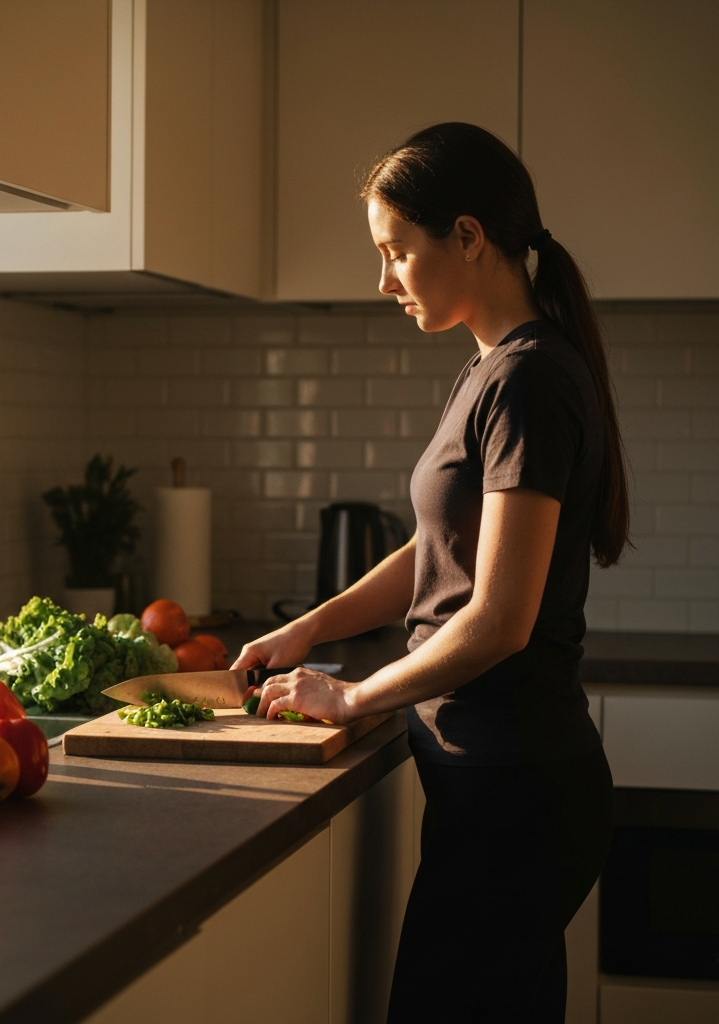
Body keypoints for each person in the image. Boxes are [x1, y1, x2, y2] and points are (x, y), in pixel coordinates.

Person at [231, 122, 622, 1023]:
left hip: (516, 791)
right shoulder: (488, 372)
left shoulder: (526, 381)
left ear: (471, 237)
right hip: (496, 786)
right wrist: (311, 630)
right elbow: (436, 546)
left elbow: (498, 620)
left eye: (397, 252)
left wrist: (352, 697)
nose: (384, 281)